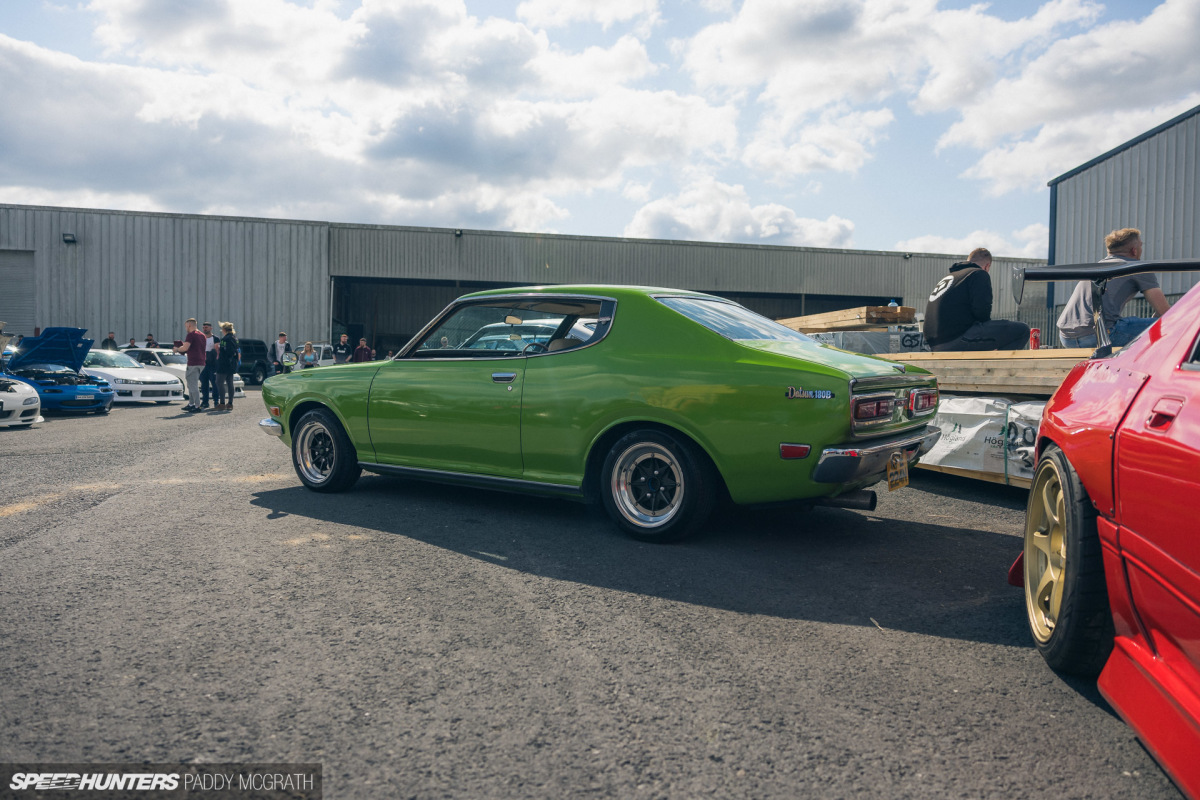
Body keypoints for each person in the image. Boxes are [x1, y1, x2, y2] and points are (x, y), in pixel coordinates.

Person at [1056, 228, 1171, 348]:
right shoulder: (1137, 268)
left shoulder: (1096, 267)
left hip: (1066, 338)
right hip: (1100, 336)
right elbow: (1165, 312)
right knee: (1169, 324)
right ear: (1134, 250)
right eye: (1141, 246)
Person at [924, 247, 1029, 352]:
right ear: (987, 266)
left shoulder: (951, 277)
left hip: (934, 343)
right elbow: (982, 312)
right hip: (956, 339)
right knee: (1022, 330)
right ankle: (995, 367)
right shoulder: (978, 273)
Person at [173, 318, 207, 413]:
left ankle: (197, 406)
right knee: (191, 384)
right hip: (201, 362)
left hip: (193, 362)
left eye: (185, 326)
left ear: (189, 325)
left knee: (193, 385)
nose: (185, 328)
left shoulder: (191, 335)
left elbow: (185, 348)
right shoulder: (202, 335)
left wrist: (177, 349)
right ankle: (191, 404)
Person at [213, 322, 239, 411]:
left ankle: (222, 403)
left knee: (219, 382)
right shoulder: (235, 338)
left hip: (224, 364)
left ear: (224, 330)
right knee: (230, 383)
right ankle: (230, 403)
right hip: (232, 364)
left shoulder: (225, 339)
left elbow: (226, 351)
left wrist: (218, 347)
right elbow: (236, 350)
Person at [197, 322, 218, 409]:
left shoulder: (215, 338)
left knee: (214, 383)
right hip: (203, 364)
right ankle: (205, 402)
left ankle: (216, 401)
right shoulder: (201, 338)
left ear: (211, 328)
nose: (205, 329)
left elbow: (217, 351)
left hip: (212, 365)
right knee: (204, 384)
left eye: (207, 327)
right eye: (204, 327)